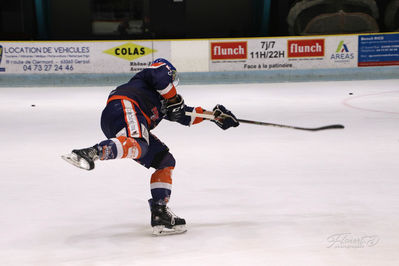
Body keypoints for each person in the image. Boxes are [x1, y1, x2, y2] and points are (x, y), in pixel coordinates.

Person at [62, 58, 239, 235]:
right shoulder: (152, 76)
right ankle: (92, 152)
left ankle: (159, 211)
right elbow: (159, 74)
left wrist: (215, 116)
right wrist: (174, 98)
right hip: (126, 105)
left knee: (164, 160)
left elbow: (185, 115)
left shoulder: (162, 103)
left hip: (122, 119)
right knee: (140, 143)